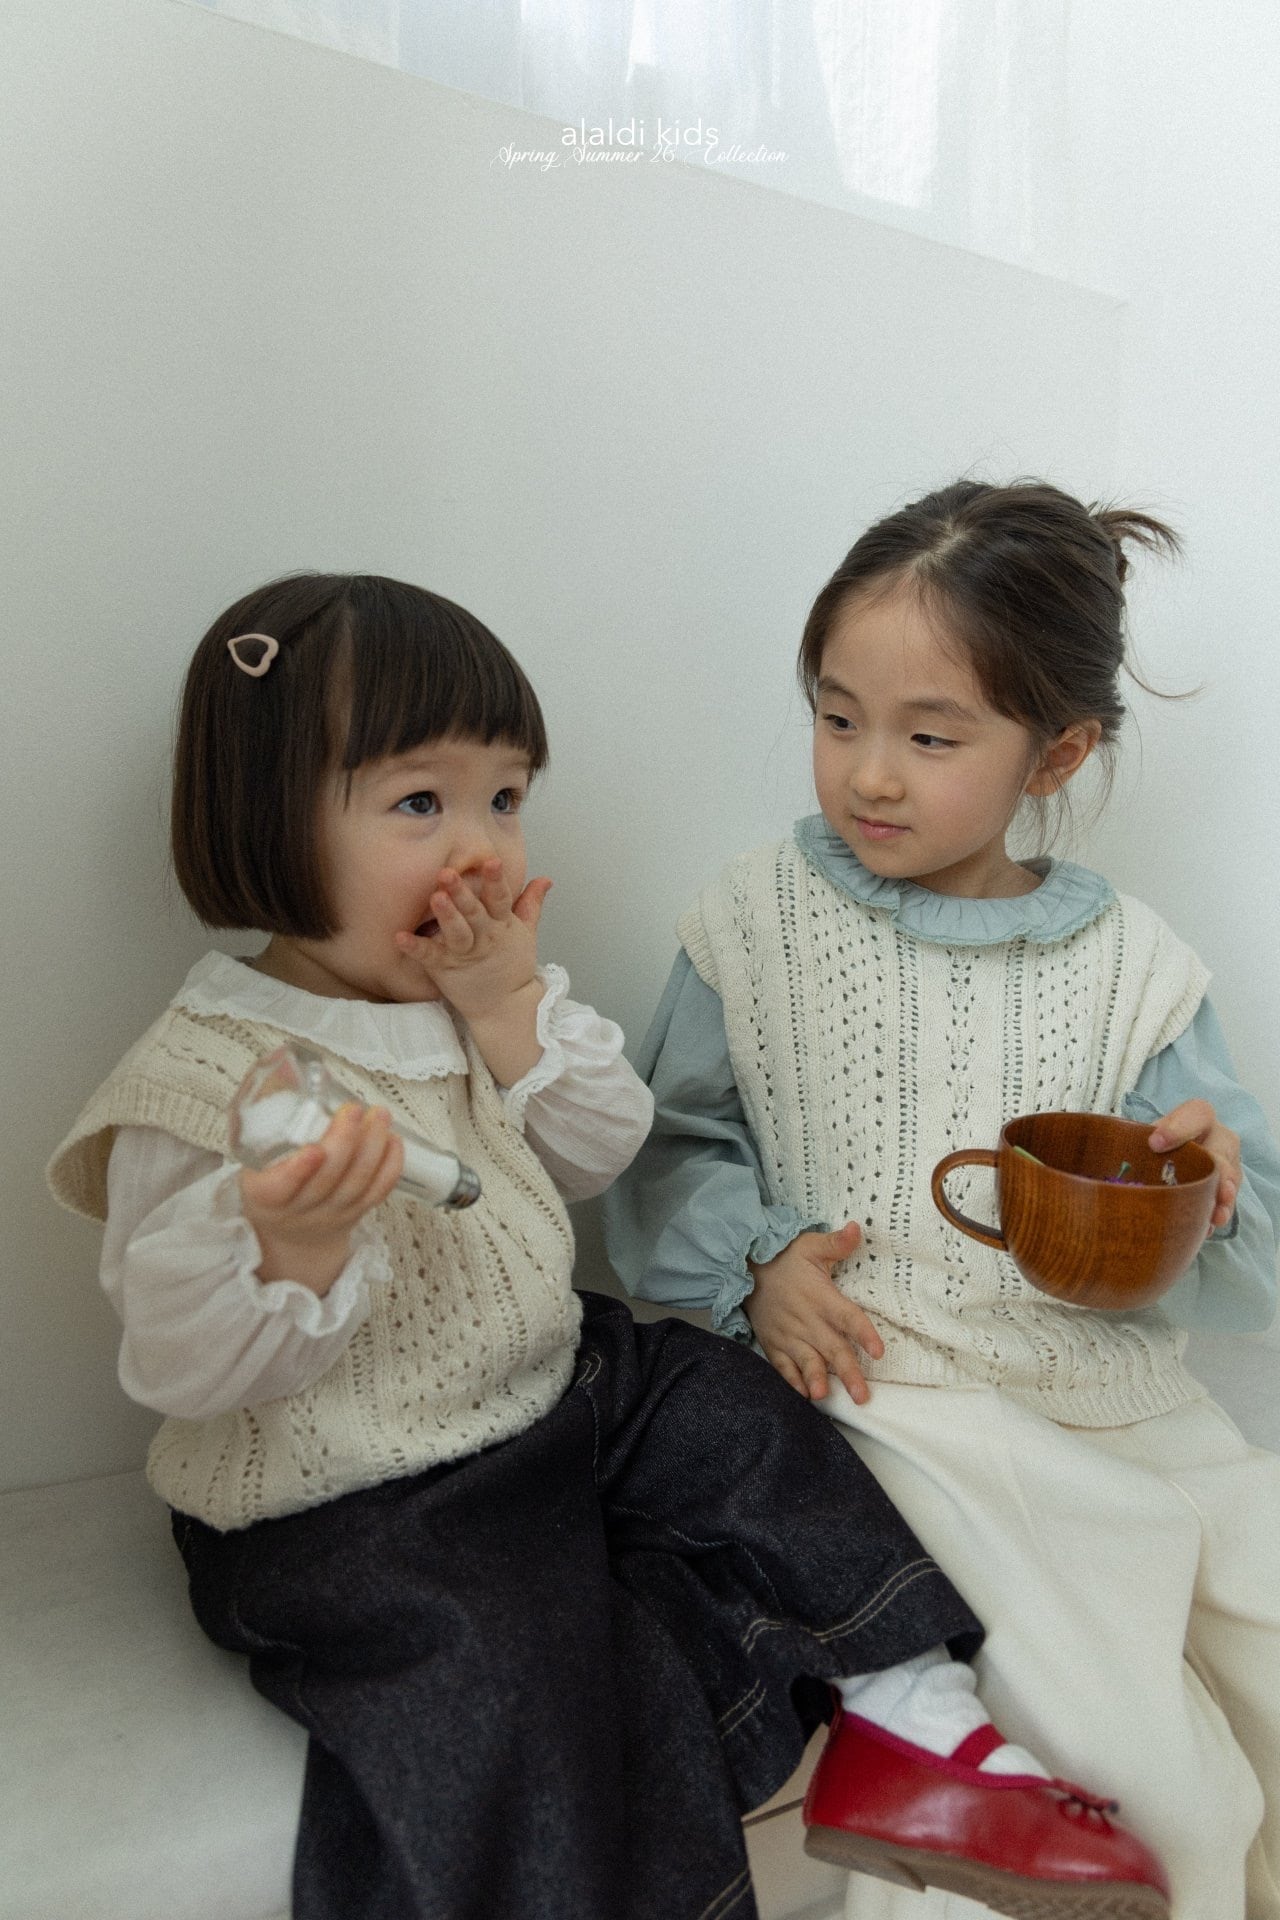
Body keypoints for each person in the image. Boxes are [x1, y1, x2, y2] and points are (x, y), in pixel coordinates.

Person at [46, 572, 1168, 1920]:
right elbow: (175, 1366)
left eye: (504, 798)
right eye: (421, 803)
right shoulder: (209, 1076)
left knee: (728, 1407)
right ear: (267, 814)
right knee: (511, 1660)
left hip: (553, 1390)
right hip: (351, 1495)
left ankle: (914, 1724)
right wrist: (285, 1246)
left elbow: (597, 1151)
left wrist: (508, 1013)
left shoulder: (478, 991)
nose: (481, 848)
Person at [604, 481, 1280, 1920]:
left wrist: (1209, 1190)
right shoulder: (752, 918)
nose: (870, 775)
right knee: (1154, 1776)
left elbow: (1248, 1228)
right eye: (837, 717)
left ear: (1058, 752)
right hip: (889, 1396)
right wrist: (759, 1265)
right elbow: (671, 1144)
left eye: (930, 736)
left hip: (1112, 1399)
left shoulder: (1139, 967)